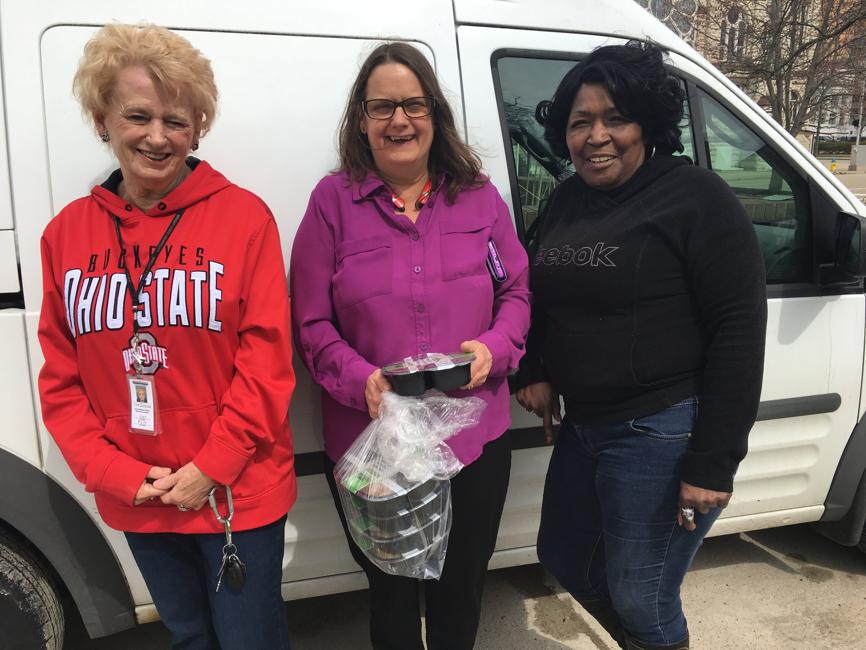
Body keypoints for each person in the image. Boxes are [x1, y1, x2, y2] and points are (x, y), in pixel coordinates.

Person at [37, 24, 295, 649]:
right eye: (138, 116)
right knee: (186, 637)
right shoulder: (66, 235)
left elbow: (268, 363)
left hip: (237, 492)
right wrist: (117, 473)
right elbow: (60, 382)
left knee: (249, 640)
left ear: (198, 128)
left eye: (177, 120)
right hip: (140, 496)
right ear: (103, 119)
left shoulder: (245, 219)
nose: (157, 137)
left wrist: (212, 466)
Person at [513, 42, 767, 650]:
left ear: (646, 125)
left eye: (614, 118)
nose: (596, 136)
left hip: (660, 430)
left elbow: (739, 329)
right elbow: (532, 292)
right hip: (585, 427)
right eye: (580, 122)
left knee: (644, 596)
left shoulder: (697, 198)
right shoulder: (565, 200)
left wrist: (713, 463)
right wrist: (534, 364)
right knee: (565, 555)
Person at [290, 41, 530, 650]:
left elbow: (517, 293)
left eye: (413, 105)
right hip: (374, 446)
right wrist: (357, 378)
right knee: (392, 598)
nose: (399, 120)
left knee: (460, 592)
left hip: (472, 438)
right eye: (382, 107)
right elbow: (310, 322)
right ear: (362, 120)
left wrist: (495, 350)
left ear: (435, 115)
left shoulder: (478, 198)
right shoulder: (331, 204)